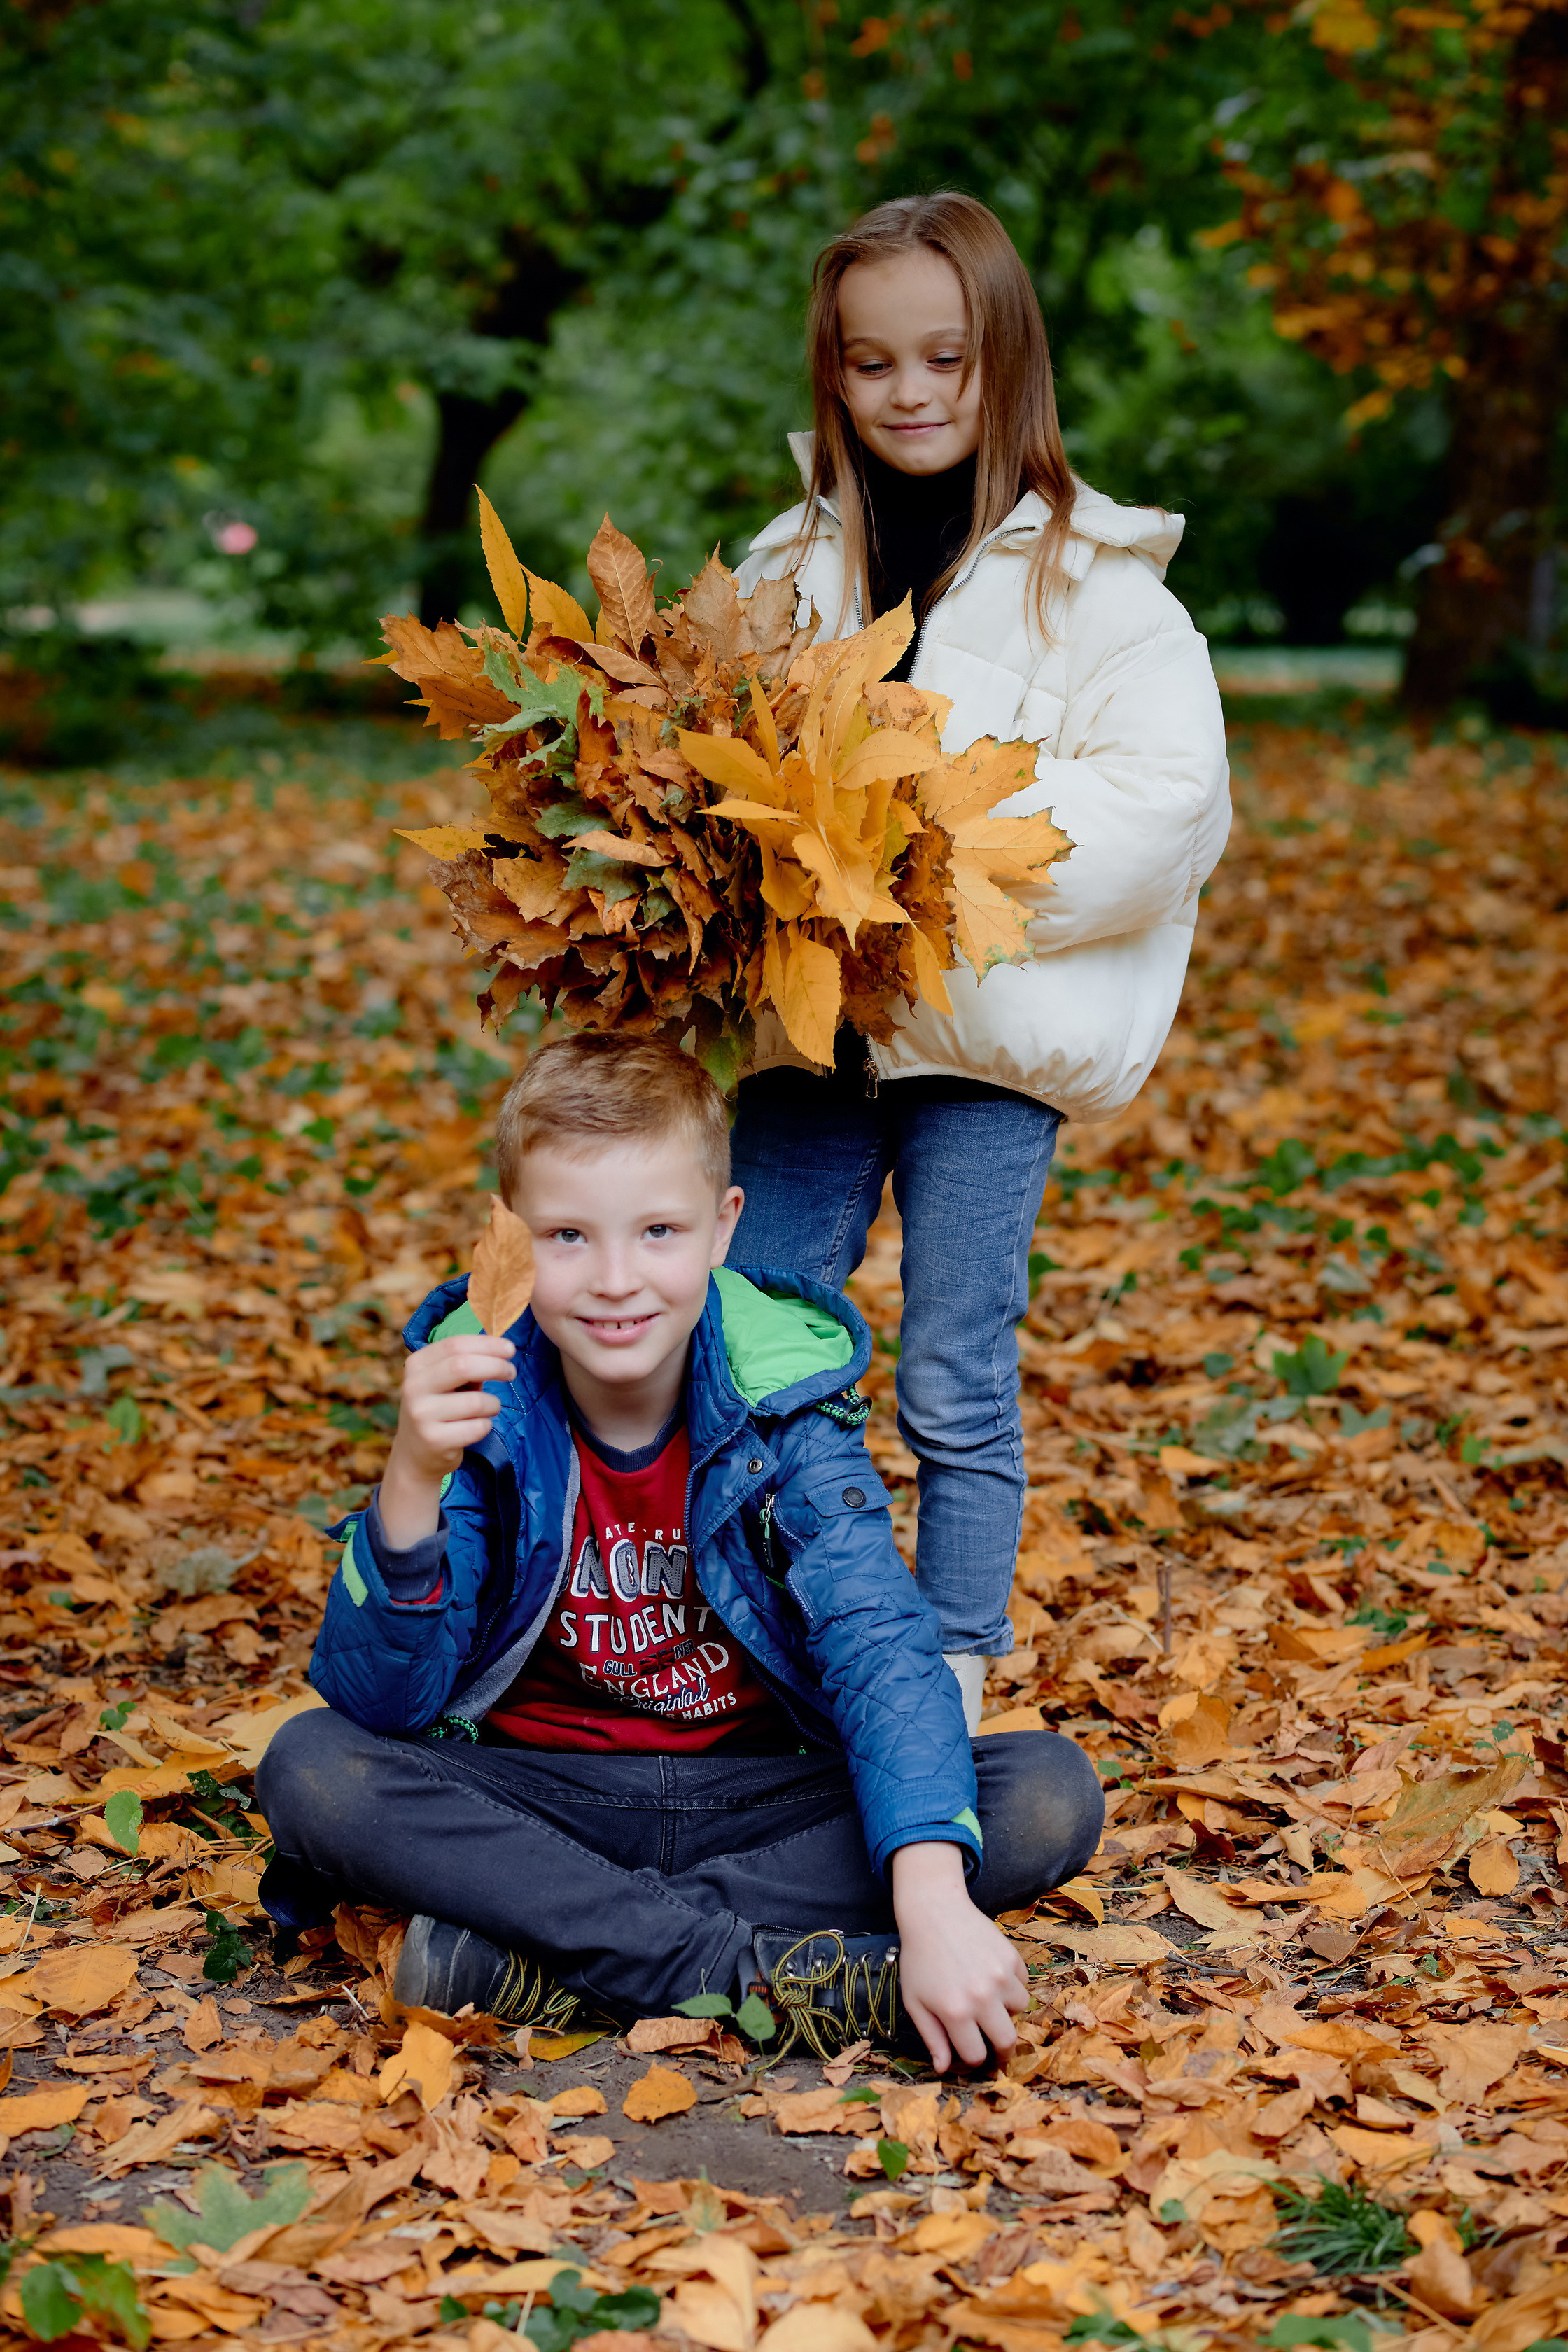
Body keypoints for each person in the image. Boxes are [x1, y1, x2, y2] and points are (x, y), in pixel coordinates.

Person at [257, 1035, 1103, 2068]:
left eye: (658, 1230)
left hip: (752, 1801)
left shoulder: (780, 1401)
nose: (617, 1281)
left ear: (722, 1228)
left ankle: (544, 1963)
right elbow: (384, 1702)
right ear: (514, 1241)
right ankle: (747, 1978)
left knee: (1044, 1792)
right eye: (569, 1236)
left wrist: (927, 1899)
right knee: (312, 1769)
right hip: (545, 1797)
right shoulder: (487, 1398)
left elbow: (879, 1645)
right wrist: (409, 1479)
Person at [730, 193, 1231, 1731]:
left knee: (954, 1360)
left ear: (1005, 357)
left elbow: (1164, 813)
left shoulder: (1104, 595)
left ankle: (947, 1660)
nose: (910, 391)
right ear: (833, 376)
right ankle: (774, 1622)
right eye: (871, 362)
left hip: (987, 1045)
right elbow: (710, 758)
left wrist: (918, 837)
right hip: (809, 1033)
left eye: (945, 355)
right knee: (761, 1323)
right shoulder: (782, 566)